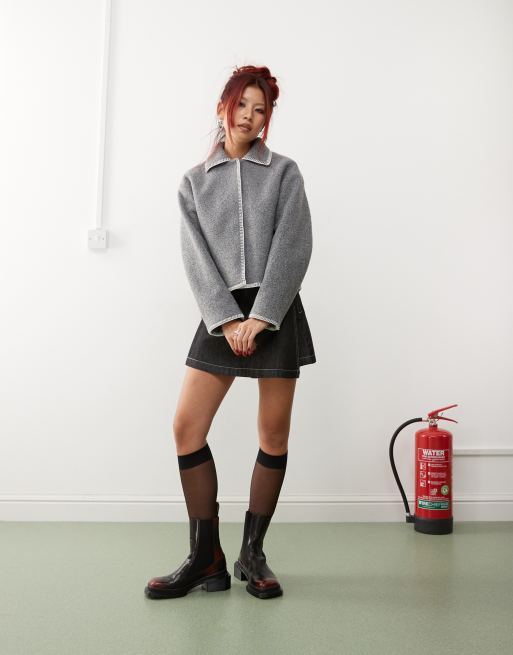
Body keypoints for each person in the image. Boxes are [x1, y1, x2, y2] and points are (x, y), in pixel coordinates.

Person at [144, 65, 316, 601]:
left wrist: (262, 316)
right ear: (223, 107)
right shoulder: (194, 181)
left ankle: (252, 554)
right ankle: (206, 558)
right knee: (186, 428)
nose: (249, 116)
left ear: (267, 119)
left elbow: (295, 243)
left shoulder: (284, 172)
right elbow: (195, 258)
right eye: (241, 104)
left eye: (260, 109)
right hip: (220, 311)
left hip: (275, 308)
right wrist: (226, 319)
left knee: (274, 435)